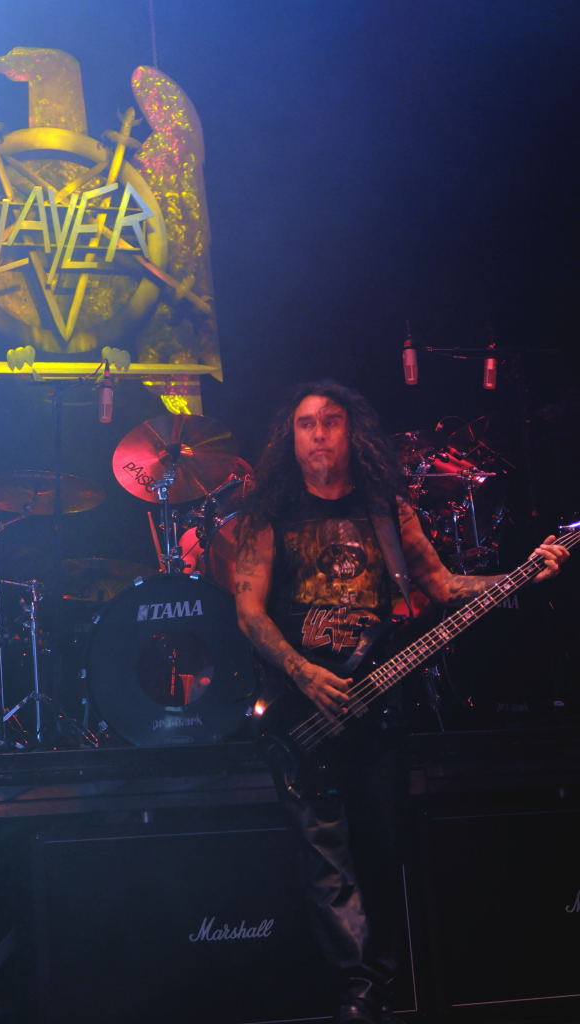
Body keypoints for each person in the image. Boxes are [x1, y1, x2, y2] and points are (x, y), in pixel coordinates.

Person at [233, 380, 569, 1024]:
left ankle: (377, 988)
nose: (319, 433)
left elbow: (441, 585)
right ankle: (358, 990)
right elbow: (248, 611)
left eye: (332, 421)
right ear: (290, 437)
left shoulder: (388, 510)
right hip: (302, 708)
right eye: (306, 423)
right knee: (325, 859)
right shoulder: (269, 514)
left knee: (381, 848)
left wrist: (519, 576)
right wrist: (302, 672)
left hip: (380, 704)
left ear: (352, 432)